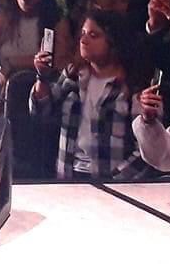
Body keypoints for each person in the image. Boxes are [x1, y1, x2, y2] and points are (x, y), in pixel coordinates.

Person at [30, 10, 145, 181]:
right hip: (68, 175)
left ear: (113, 42)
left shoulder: (131, 87)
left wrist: (116, 178)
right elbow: (41, 112)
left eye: (94, 35)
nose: (83, 40)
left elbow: (145, 151)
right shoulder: (73, 75)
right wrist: (42, 76)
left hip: (111, 181)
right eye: (83, 33)